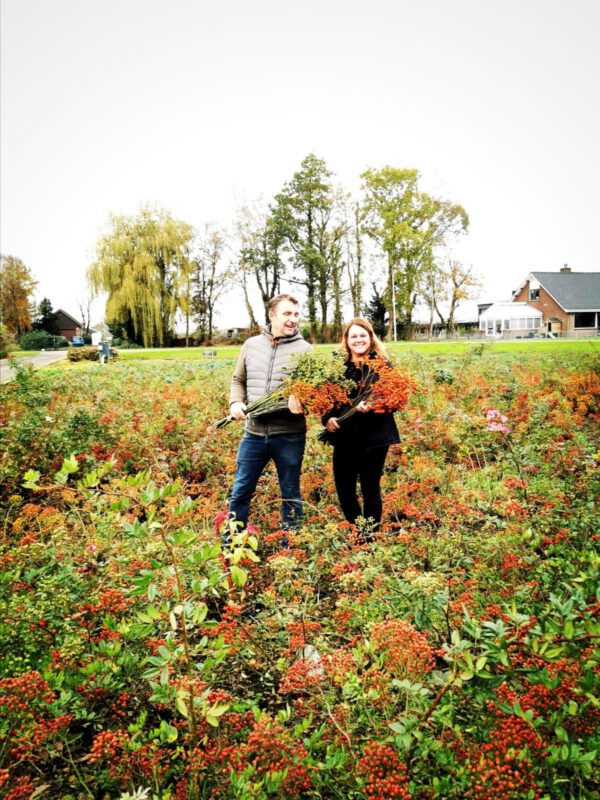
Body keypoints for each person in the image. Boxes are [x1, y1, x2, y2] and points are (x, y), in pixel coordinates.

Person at [227, 294, 312, 537]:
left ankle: (290, 548)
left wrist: (303, 402)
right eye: (287, 314)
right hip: (253, 434)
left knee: (290, 493)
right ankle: (232, 544)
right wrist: (235, 402)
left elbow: (312, 392)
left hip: (289, 436)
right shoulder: (251, 345)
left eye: (296, 315)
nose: (293, 319)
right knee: (240, 491)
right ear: (272, 315)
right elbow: (238, 379)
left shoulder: (305, 350)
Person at [322, 318, 399, 534]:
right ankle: (359, 533)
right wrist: (327, 418)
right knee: (345, 490)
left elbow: (395, 401)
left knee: (370, 489)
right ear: (346, 340)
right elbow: (325, 398)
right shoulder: (336, 367)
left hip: (374, 439)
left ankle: (370, 537)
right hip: (345, 436)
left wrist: (375, 405)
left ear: (371, 338)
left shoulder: (382, 365)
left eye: (363, 335)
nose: (358, 340)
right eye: (353, 336)